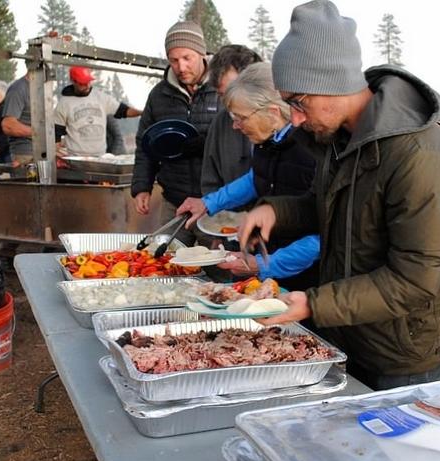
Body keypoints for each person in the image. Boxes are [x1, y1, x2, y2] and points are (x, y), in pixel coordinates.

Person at [238, 0, 440, 391]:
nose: (294, 118)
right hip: (353, 329)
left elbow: (415, 279)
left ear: (332, 82)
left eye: (298, 102)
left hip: (404, 348)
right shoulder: (339, 139)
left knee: (394, 449)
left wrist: (315, 304)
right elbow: (329, 207)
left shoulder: (419, 155)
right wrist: (274, 212)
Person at [176, 63, 319, 290]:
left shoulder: (310, 152)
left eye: (241, 117)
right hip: (269, 268)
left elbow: (322, 238)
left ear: (272, 113)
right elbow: (256, 179)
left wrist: (262, 265)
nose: (234, 126)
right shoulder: (267, 142)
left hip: (305, 284)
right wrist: (208, 203)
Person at [131, 20, 220, 245]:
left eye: (186, 58)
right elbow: (144, 143)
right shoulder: (159, 95)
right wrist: (142, 186)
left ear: (201, 53)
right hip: (174, 201)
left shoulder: (222, 89)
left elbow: (241, 139)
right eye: (173, 60)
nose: (180, 67)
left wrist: (206, 144)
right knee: (170, 264)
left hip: (215, 203)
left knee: (220, 267)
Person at [201, 45, 262, 196]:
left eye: (233, 92)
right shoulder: (220, 123)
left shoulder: (285, 121)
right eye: (223, 95)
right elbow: (210, 182)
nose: (229, 103)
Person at [54, 66, 141, 157]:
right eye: (82, 83)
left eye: (88, 82)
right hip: (76, 159)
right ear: (73, 81)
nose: (87, 86)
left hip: (100, 157)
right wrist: (57, 151)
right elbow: (57, 132)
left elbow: (124, 111)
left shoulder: (101, 97)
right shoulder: (64, 103)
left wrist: (143, 112)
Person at [1, 71, 34, 168]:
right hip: (25, 154)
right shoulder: (18, 89)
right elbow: (8, 125)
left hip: (43, 152)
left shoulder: (42, 87)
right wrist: (38, 133)